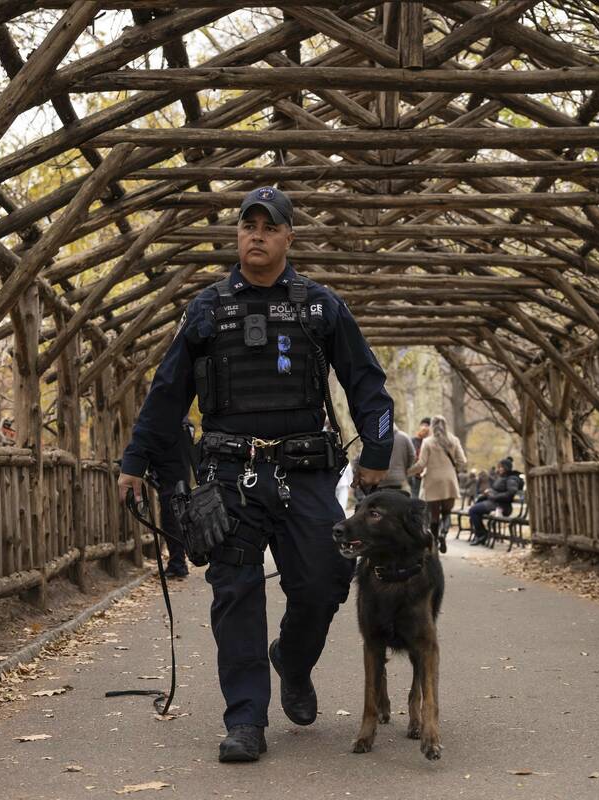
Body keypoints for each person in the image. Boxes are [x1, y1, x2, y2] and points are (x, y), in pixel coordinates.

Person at [116, 186, 393, 764]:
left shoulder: (321, 307)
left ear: (289, 236)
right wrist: (135, 461)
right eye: (249, 225)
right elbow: (167, 394)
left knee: (323, 582)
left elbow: (366, 382)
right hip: (228, 474)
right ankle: (245, 720)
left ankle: (292, 660)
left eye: (270, 227)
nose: (257, 235)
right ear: (237, 235)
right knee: (235, 593)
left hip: (306, 472)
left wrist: (377, 449)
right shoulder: (207, 310)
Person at [407, 415, 467, 553]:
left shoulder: (428, 442)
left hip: (432, 481)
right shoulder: (454, 440)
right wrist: (454, 468)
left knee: (434, 516)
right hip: (449, 481)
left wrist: (407, 472)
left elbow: (421, 464)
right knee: (446, 513)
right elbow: (462, 461)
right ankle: (443, 535)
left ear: (432, 426)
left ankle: (434, 544)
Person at [152, 418, 197, 579]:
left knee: (171, 523)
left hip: (170, 478)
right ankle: (178, 562)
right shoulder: (187, 425)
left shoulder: (170, 424)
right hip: (181, 476)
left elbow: (158, 449)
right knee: (178, 521)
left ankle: (178, 564)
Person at [468, 457, 524, 546]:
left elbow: (510, 493)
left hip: (502, 506)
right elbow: (497, 489)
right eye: (499, 467)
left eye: (501, 467)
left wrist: (494, 496)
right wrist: (489, 491)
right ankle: (481, 534)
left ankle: (482, 534)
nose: (499, 469)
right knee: (474, 509)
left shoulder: (511, 479)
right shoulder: (502, 477)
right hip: (494, 503)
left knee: (473, 510)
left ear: (506, 468)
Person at [409, 417, 430, 498]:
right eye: (423, 425)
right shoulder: (413, 440)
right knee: (415, 495)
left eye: (427, 425)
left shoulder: (431, 442)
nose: (424, 428)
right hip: (416, 474)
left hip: (428, 475)